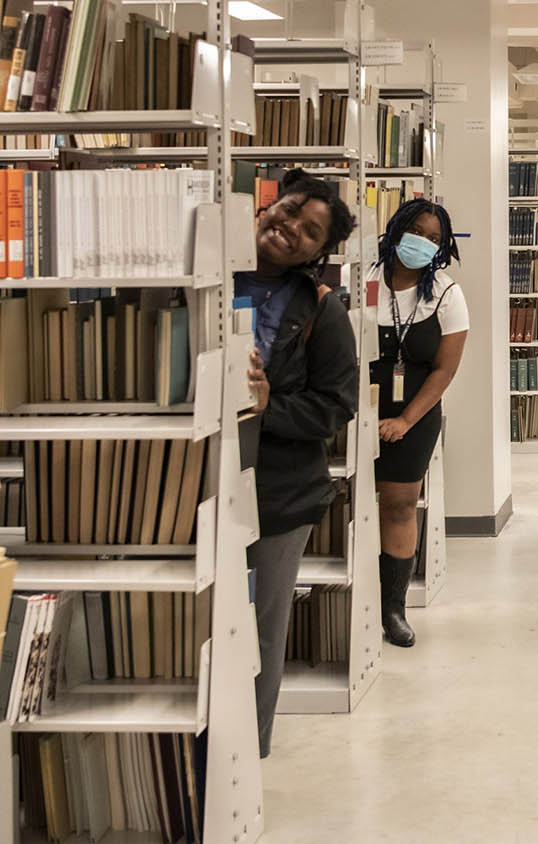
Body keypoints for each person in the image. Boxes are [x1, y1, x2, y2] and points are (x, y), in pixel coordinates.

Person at [242, 169, 359, 758]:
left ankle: (246, 762)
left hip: (277, 495)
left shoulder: (321, 310)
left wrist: (268, 407)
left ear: (319, 252)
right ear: (268, 207)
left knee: (260, 629)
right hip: (192, 483)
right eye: (288, 211)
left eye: (310, 231)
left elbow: (337, 408)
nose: (291, 229)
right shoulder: (210, 276)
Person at [369, 198, 469, 647]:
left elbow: (445, 370)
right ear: (397, 229)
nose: (424, 243)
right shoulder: (366, 280)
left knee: (399, 505)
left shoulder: (446, 293)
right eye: (418, 232)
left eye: (434, 238)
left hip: (415, 412)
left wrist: (405, 421)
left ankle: (393, 610)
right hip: (358, 407)